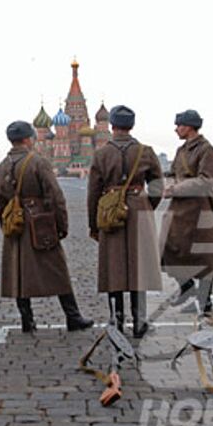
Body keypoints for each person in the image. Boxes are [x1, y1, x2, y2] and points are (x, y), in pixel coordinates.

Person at [0, 121, 93, 333]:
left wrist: (7, 226)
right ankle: (73, 317)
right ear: (29, 138)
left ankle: (27, 321)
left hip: (15, 227)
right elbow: (55, 196)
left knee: (18, 271)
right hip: (41, 225)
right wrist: (61, 225)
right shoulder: (38, 162)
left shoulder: (0, 167)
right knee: (58, 270)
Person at [87, 106, 163, 338]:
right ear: (132, 125)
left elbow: (93, 192)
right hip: (139, 210)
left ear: (111, 125)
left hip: (110, 212)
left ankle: (116, 321)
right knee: (138, 267)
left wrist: (94, 224)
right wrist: (147, 205)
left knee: (114, 268)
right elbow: (158, 185)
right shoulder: (146, 152)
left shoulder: (101, 154)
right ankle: (140, 322)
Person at [161, 109, 213, 314]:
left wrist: (175, 189)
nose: (176, 129)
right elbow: (173, 172)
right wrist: (169, 182)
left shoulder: (206, 150)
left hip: (200, 210)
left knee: (205, 258)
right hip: (179, 210)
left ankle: (205, 302)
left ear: (189, 126)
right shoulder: (181, 150)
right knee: (168, 249)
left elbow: (206, 180)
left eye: (179, 125)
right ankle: (187, 288)